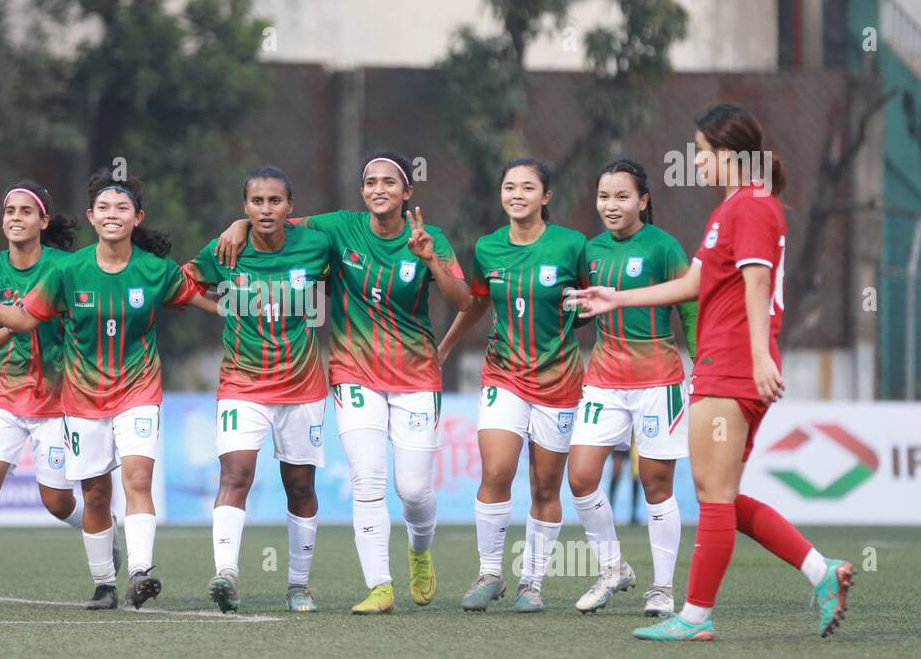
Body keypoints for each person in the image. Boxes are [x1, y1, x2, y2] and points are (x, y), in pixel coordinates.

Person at [568, 104, 855, 640]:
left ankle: (695, 616)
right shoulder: (734, 208)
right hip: (730, 364)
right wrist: (616, 299)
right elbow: (695, 284)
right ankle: (822, 573)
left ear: (727, 153)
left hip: (732, 367)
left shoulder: (749, 207)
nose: (697, 163)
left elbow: (756, 285)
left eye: (702, 153)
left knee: (715, 496)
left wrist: (760, 356)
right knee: (723, 495)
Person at [218, 151, 471, 615]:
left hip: (416, 376)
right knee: (367, 481)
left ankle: (419, 551)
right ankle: (380, 587)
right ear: (361, 192)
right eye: (370, 182)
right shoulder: (339, 227)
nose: (379, 189)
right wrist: (238, 224)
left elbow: (464, 299)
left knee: (413, 490)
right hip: (354, 374)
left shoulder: (428, 237)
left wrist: (432, 261)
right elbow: (278, 221)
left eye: (390, 183)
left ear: (407, 192)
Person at [0, 171, 214, 609]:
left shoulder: (155, 271)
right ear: (91, 217)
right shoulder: (69, 271)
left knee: (138, 479)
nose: (112, 215)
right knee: (94, 495)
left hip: (139, 392)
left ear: (137, 217)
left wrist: (251, 305)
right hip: (80, 400)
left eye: (121, 208)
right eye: (103, 208)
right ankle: (105, 584)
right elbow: (25, 320)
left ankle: (141, 571)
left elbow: (205, 298)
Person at [0, 181, 116, 609]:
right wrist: (18, 318)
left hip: (58, 402)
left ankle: (101, 527)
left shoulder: (66, 266)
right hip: (7, 397)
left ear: (43, 221)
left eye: (24, 211)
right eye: (8, 211)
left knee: (57, 503)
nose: (14, 217)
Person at [439, 157, 587, 613]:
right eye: (509, 187)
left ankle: (532, 582)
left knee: (546, 487)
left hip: (559, 380)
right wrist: (443, 347)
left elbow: (592, 302)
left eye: (527, 187)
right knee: (497, 471)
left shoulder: (573, 245)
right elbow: (478, 302)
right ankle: (489, 573)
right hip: (503, 375)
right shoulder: (487, 247)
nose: (516, 195)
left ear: (546, 197)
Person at [184, 166, 332, 613]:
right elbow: (182, 282)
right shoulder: (226, 249)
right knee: (235, 475)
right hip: (242, 385)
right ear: (244, 206)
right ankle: (227, 573)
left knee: (300, 485)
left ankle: (298, 585)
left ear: (291, 207)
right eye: (256, 202)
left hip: (302, 387)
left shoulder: (317, 245)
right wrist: (219, 307)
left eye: (274, 201)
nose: (265, 209)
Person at [566, 159, 696, 617]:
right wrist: (573, 310)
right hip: (603, 379)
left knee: (656, 485)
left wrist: (702, 364)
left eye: (622, 196)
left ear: (644, 201)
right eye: (604, 196)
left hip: (659, 381)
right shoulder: (590, 250)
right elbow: (583, 308)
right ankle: (613, 568)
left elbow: (690, 306)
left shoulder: (663, 248)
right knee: (581, 478)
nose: (611, 205)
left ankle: (662, 589)